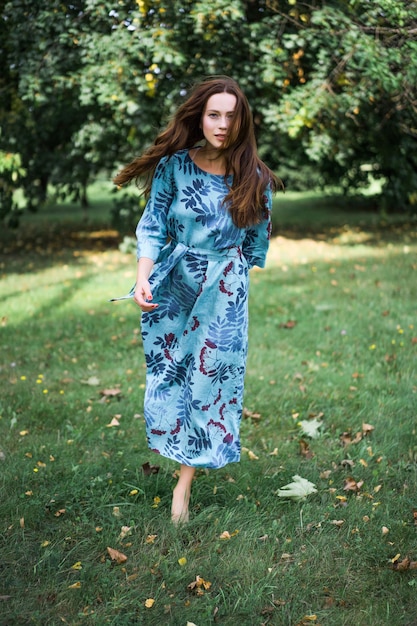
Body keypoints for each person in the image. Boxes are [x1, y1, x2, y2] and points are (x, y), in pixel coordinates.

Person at [113, 75, 282, 524]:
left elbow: (254, 250)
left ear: (242, 121)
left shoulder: (256, 179)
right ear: (200, 117)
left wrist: (231, 284)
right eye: (213, 114)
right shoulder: (174, 166)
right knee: (171, 373)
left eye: (231, 115)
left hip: (224, 295)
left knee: (209, 386)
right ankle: (174, 447)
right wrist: (143, 278)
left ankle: (183, 485)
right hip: (174, 285)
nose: (222, 124)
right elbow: (152, 226)